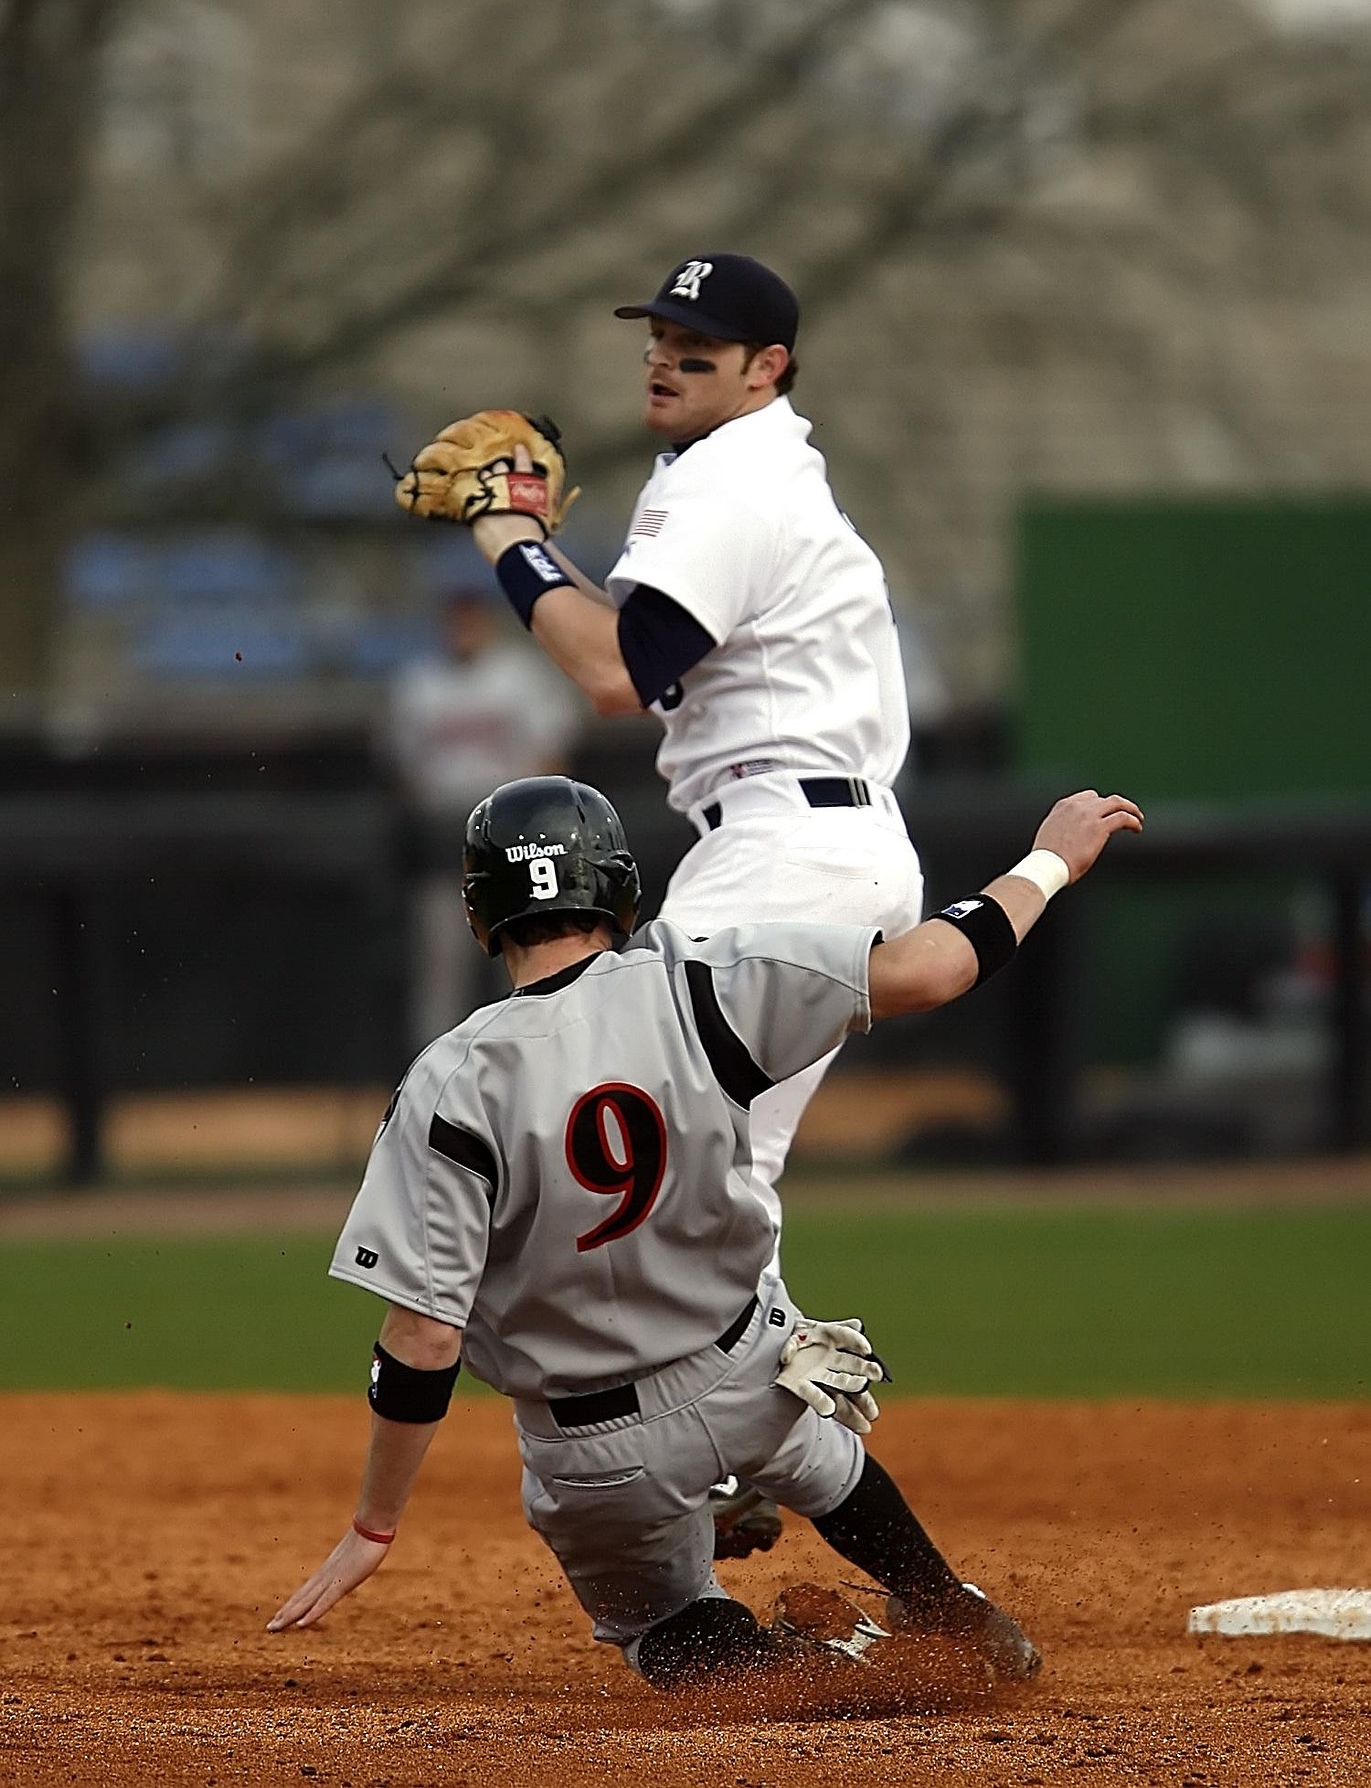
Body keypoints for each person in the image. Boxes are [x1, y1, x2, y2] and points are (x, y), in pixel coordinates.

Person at [267, 775, 1143, 1689]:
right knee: (820, 1458)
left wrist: (374, 1524)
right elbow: (933, 967)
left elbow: (422, 1337)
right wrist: (1050, 860)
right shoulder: (701, 982)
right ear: (617, 886)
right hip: (744, 1372)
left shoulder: (449, 1081)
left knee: (665, 1620)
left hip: (592, 1449)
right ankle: (940, 1605)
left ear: (480, 912)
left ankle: (808, 1680)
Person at [463, 252, 924, 1553]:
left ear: (768, 366)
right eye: (658, 335)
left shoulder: (736, 479)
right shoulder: (726, 474)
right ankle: (750, 1400)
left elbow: (615, 673)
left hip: (787, 847)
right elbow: (637, 643)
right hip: (795, 841)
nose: (664, 357)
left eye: (699, 345)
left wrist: (506, 534)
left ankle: (745, 1406)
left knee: (662, 1127)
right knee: (700, 1141)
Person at [385, 579, 578, 1047]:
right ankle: (436, 1074)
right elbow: (403, 773)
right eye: (455, 615)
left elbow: (553, 760)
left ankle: (530, 1059)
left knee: (525, 958)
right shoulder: (418, 683)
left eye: (471, 614)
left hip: (513, 839)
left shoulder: (519, 676)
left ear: (486, 619)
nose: (463, 625)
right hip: (446, 845)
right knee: (441, 968)